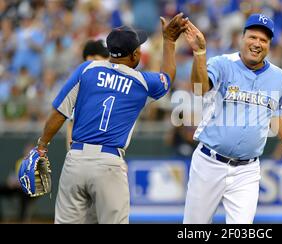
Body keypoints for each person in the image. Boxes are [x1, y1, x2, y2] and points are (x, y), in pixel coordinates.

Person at [34, 13, 188, 224]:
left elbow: (59, 113)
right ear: (135, 55)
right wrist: (169, 41)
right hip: (109, 163)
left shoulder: (87, 69)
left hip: (76, 160)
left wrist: (41, 146)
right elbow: (168, 77)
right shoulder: (142, 81)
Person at [182, 14, 282, 224]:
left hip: (247, 170)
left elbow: (274, 112)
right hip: (210, 162)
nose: (257, 43)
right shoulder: (222, 63)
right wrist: (199, 53)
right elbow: (199, 89)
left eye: (263, 40)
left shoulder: (279, 77)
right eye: (253, 37)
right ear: (242, 38)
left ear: (269, 44)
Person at [66, 40, 110, 151]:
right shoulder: (82, 82)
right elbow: (71, 123)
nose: (106, 62)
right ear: (90, 58)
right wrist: (71, 150)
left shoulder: (108, 81)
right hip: (84, 148)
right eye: (101, 58)